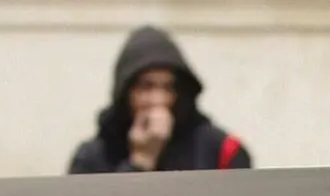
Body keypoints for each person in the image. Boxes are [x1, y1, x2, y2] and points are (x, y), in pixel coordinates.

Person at [68, 25, 252, 174]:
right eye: (146, 87)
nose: (158, 99)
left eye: (168, 88)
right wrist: (141, 160)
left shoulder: (221, 151)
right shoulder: (92, 158)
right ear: (125, 93)